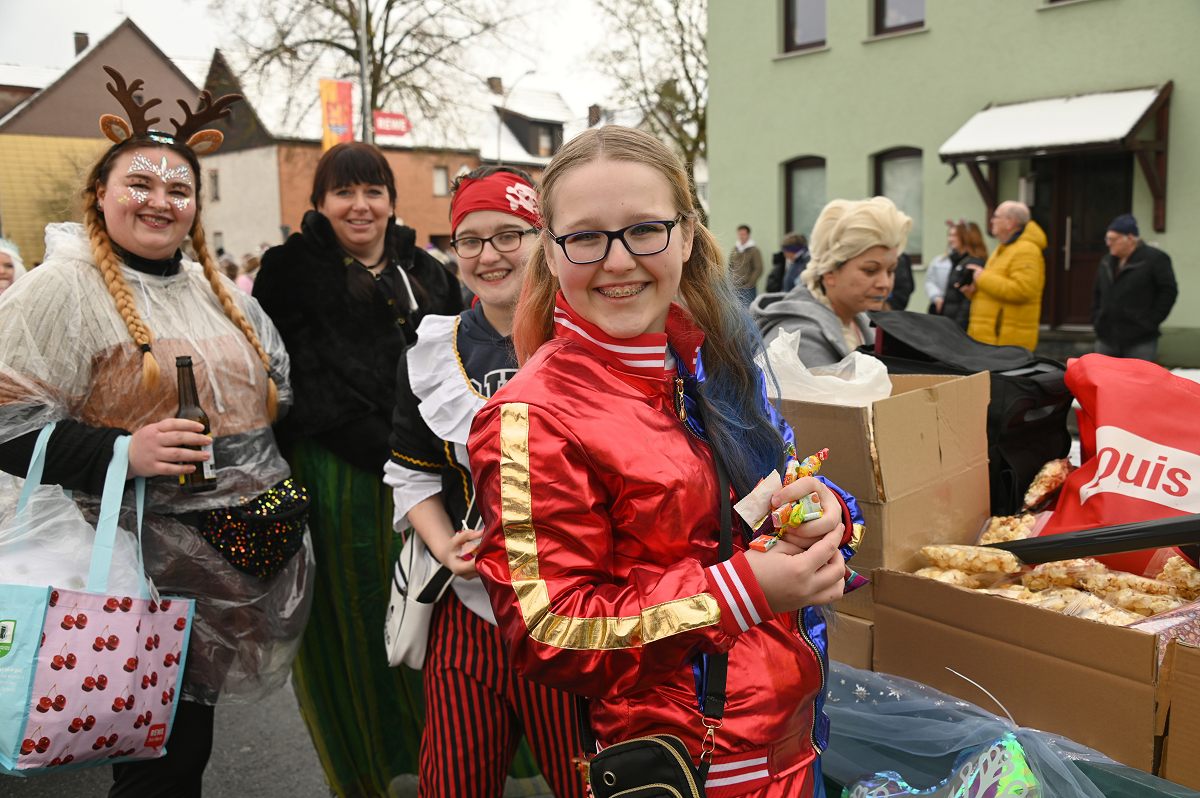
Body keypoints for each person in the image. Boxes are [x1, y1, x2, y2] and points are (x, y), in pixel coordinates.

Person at [467, 126, 865, 797]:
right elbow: (549, 630)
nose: (618, 260)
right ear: (552, 252)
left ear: (684, 236)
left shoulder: (712, 364)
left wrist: (825, 512)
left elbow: (769, 495)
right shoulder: (531, 417)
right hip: (694, 770)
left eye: (645, 230)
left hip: (799, 744)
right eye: (586, 237)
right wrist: (740, 594)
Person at [0, 68, 312, 796]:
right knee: (156, 759)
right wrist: (120, 451)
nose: (159, 200)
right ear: (99, 195)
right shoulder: (61, 288)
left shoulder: (215, 291)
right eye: (138, 184)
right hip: (130, 566)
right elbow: (6, 420)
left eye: (179, 189)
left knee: (182, 747)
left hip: (229, 556)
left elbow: (275, 398)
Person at [253, 142, 462, 797]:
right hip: (340, 474)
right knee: (360, 617)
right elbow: (302, 386)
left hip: (433, 473)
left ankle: (450, 759)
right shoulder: (290, 271)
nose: (360, 205)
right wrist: (397, 454)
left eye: (373, 191)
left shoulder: (427, 271)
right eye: (344, 192)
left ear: (392, 200)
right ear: (320, 203)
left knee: (438, 615)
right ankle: (370, 768)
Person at [383, 166, 584, 798]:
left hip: (576, 612)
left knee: (585, 781)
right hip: (469, 611)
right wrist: (445, 547)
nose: (488, 254)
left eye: (508, 235)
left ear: (543, 238)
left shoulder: (588, 337)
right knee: (451, 782)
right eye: (470, 240)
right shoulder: (433, 350)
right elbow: (411, 472)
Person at [751, 197, 912, 368]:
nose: (885, 283)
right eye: (870, 270)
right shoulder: (797, 341)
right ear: (829, 272)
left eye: (891, 271)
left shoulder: (860, 322)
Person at [1092, 213, 1178, 361]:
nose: (1108, 243)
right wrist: (1097, 319)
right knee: (1104, 376)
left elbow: (1168, 291)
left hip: (1140, 340)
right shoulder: (1106, 261)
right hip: (1106, 338)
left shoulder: (1155, 259)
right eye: (1107, 239)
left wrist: (1150, 321)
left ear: (1130, 238)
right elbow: (1097, 292)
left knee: (1138, 377)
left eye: (1113, 239)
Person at [964, 201, 1046, 351]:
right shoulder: (1004, 248)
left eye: (996, 216)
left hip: (1006, 343)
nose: (991, 220)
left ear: (1010, 223)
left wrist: (981, 277)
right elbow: (996, 290)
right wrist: (973, 292)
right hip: (991, 340)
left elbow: (1022, 290)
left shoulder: (1027, 250)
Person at [929, 221, 987, 330]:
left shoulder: (973, 264)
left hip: (958, 325)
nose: (950, 239)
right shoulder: (957, 261)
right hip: (950, 321)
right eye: (949, 235)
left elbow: (967, 300)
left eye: (954, 235)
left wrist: (957, 327)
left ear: (966, 237)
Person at [729, 223, 764, 305]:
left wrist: (750, 283)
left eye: (743, 234)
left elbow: (759, 268)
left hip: (748, 288)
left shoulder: (754, 250)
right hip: (735, 287)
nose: (741, 236)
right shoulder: (735, 249)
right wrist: (730, 281)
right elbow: (730, 266)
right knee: (736, 309)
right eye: (740, 234)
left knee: (748, 309)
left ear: (748, 235)